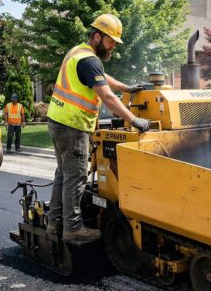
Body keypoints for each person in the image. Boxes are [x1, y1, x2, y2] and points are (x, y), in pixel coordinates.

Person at [46, 13, 149, 241]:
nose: (113, 46)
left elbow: (101, 76)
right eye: (111, 41)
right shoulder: (89, 60)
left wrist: (125, 87)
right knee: (77, 177)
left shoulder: (79, 52)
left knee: (63, 174)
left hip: (57, 121)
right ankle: (72, 228)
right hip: (72, 126)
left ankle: (54, 223)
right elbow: (108, 97)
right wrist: (134, 120)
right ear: (97, 36)